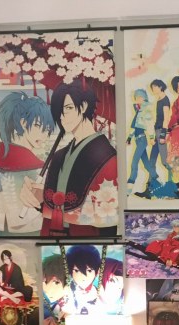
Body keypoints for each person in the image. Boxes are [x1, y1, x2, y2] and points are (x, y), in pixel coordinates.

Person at [21, 82, 117, 237]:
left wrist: (47, 207)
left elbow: (108, 215)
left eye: (68, 108)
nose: (62, 116)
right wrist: (38, 196)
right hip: (53, 234)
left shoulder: (106, 156)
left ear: (84, 106)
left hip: (87, 238)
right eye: (59, 111)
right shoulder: (60, 155)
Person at [0, 92, 53, 234]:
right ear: (23, 123)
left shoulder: (0, 160)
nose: (44, 136)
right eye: (40, 127)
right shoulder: (36, 167)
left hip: (2, 228)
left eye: (48, 130)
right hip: (31, 229)